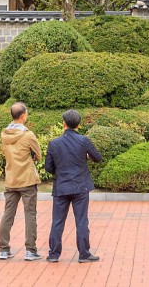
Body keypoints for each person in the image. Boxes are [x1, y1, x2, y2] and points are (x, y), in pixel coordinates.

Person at [45, 109, 104, 263]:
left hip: (61, 186)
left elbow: (48, 167)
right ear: (78, 124)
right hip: (80, 186)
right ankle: (84, 253)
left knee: (57, 221)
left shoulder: (54, 143)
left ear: (64, 124)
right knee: (82, 221)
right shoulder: (84, 141)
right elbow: (98, 158)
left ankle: (53, 254)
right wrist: (86, 157)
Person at [0, 102, 42, 261]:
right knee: (30, 214)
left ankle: (4, 249)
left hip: (11, 179)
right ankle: (30, 250)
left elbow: (4, 153)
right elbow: (38, 154)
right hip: (27, 180)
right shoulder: (28, 135)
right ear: (23, 116)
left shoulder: (4, 135)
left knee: (8, 214)